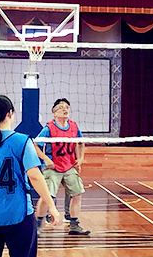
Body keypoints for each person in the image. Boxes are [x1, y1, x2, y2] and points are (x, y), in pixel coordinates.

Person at [0, 95, 60, 257]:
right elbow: (35, 176)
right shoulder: (23, 141)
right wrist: (51, 206)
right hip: (18, 215)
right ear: (10, 114)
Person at [35, 98, 90, 236]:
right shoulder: (49, 128)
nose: (65, 109)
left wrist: (80, 158)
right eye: (61, 108)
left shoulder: (74, 126)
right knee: (47, 196)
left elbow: (80, 143)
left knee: (77, 193)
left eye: (66, 107)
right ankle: (37, 225)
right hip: (53, 167)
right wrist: (46, 159)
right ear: (54, 113)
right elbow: (35, 145)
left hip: (69, 166)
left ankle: (74, 224)